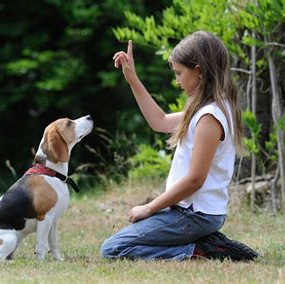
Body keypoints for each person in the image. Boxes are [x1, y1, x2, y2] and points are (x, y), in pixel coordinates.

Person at [100, 31, 258, 261]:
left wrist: (149, 208)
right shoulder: (209, 108)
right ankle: (204, 242)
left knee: (113, 249)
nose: (177, 81)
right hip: (194, 212)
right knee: (120, 244)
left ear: (199, 71)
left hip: (195, 215)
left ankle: (202, 250)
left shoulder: (209, 117)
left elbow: (195, 180)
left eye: (179, 73)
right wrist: (132, 78)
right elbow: (160, 122)